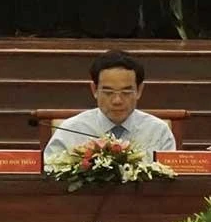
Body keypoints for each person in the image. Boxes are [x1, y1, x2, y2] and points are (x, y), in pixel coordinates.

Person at [43, 50, 175, 164]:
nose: (117, 101)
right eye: (108, 92)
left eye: (126, 92)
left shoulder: (158, 132)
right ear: (94, 90)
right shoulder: (71, 130)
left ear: (139, 90)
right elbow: (49, 173)